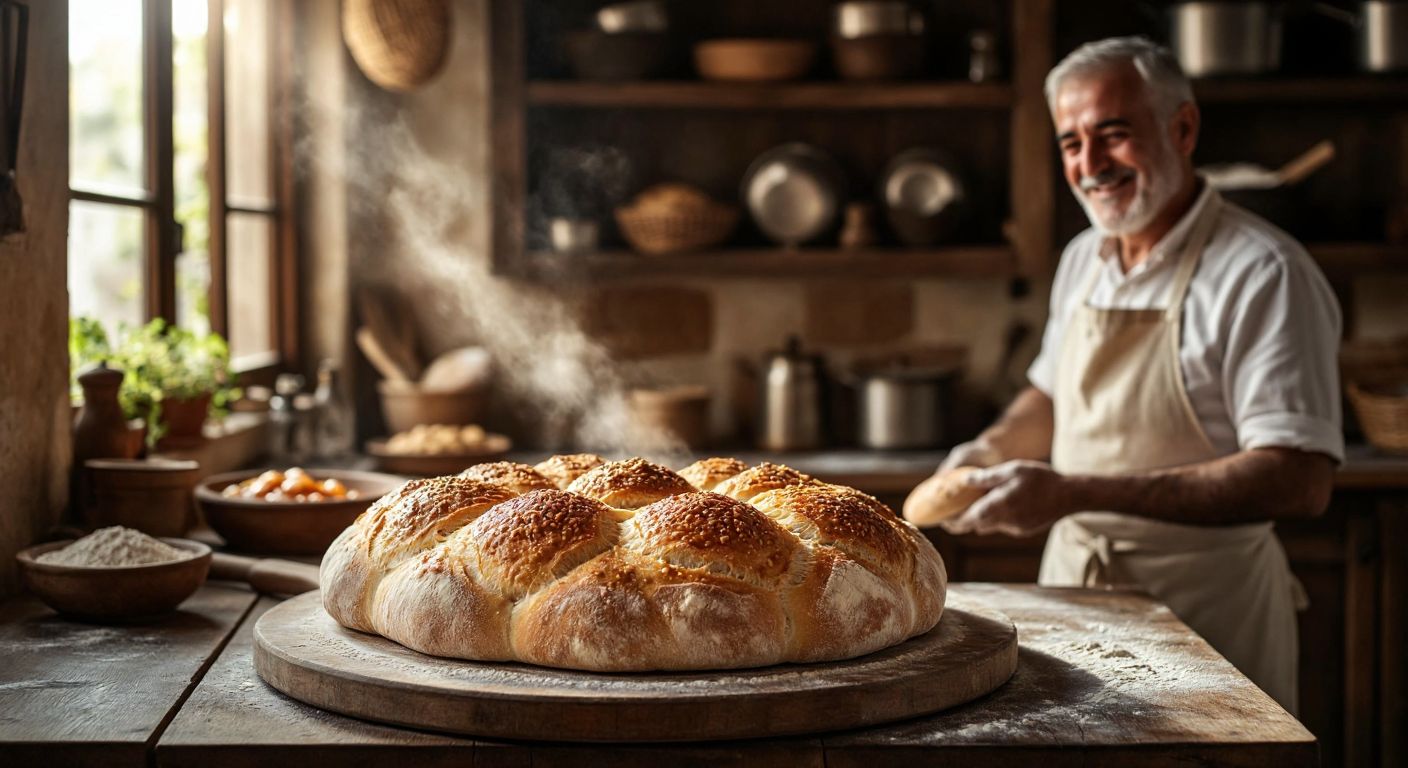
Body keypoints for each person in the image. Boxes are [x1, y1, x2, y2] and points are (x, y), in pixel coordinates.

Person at [902, 37, 1342, 715]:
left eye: (1113, 134)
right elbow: (1050, 394)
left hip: (1210, 618)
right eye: (1072, 143)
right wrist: (988, 450)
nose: (1091, 165)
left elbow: (1299, 478)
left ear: (1183, 128)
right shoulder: (1084, 258)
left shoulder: (1263, 273)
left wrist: (1069, 491)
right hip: (1075, 593)